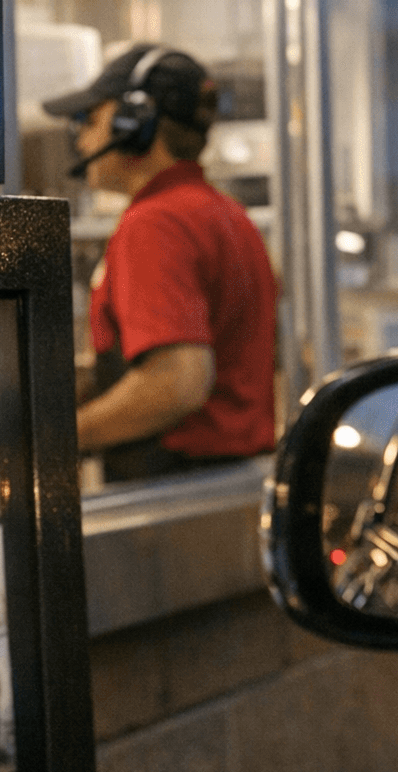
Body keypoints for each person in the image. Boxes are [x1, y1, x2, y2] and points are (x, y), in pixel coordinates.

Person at [43, 43, 278, 482]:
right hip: (233, 481)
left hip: (176, 483)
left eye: (91, 121)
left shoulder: (155, 222)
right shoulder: (225, 212)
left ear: (135, 123)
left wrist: (55, 439)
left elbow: (177, 382)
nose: (84, 140)